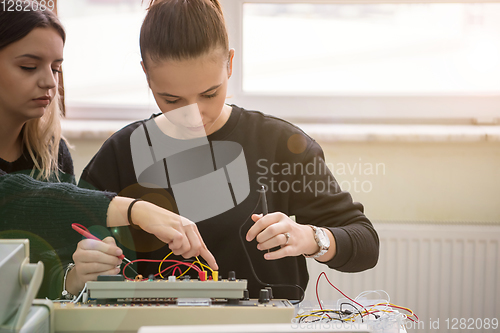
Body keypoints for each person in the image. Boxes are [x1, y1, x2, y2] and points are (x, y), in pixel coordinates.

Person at [79, 0, 379, 300]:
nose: (193, 115)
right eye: (171, 99)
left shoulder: (280, 146)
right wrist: (80, 270)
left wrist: (311, 238)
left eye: (210, 94)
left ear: (230, 64)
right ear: (146, 74)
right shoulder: (119, 156)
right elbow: (61, 255)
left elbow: (365, 242)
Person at [0, 2, 216, 299]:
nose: (50, 82)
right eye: (28, 66)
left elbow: (48, 263)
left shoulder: (53, 153)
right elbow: (11, 199)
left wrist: (74, 276)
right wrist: (134, 209)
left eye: (56, 68)